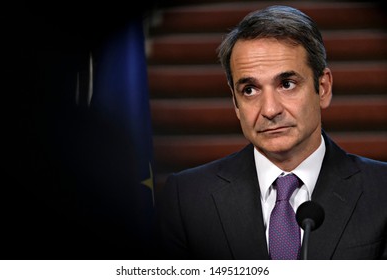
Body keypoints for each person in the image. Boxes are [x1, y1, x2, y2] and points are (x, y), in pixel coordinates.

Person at [154, 5, 387, 260]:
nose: (270, 109)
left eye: (287, 84)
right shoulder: (186, 198)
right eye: (250, 90)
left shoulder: (382, 190)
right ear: (235, 104)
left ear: (322, 88)